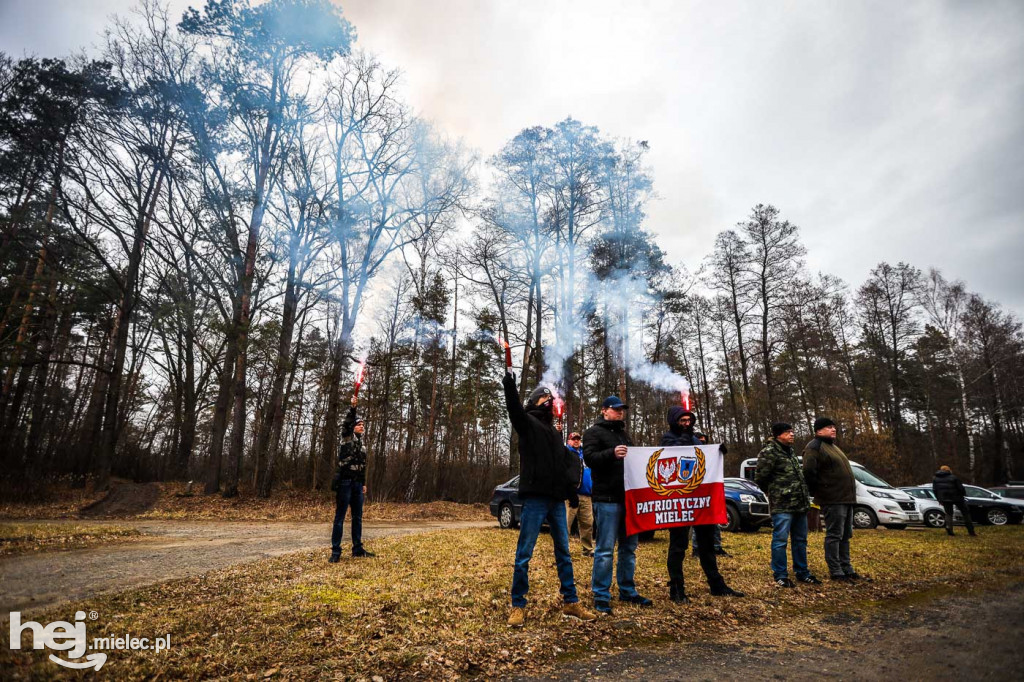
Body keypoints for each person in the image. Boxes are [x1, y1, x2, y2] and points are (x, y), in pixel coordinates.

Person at [501, 371, 596, 627]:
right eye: (546, 398)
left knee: (564, 552)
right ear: (536, 402)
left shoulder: (555, 433)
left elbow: (560, 467)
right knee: (524, 554)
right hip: (535, 499)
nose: (550, 401)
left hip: (556, 500)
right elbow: (514, 411)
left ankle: (571, 602)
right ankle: (518, 605)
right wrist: (510, 387)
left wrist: (570, 494)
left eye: (550, 398)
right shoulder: (528, 423)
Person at [661, 407, 744, 603]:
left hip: (700, 501)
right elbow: (670, 457)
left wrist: (716, 451)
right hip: (679, 502)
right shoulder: (667, 438)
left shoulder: (696, 438)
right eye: (682, 420)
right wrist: (683, 441)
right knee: (678, 546)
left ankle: (716, 584)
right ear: (674, 421)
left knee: (707, 545)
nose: (687, 424)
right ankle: (677, 589)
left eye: (689, 420)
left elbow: (703, 459)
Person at [583, 396, 652, 614]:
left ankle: (627, 590)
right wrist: (611, 454)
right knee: (604, 549)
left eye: (622, 409)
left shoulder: (624, 434)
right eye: (616, 409)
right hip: (607, 499)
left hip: (628, 499)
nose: (620, 412)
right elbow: (589, 458)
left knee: (629, 548)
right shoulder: (593, 432)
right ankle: (601, 595)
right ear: (604, 410)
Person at [755, 422, 821, 587]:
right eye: (787, 432)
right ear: (778, 435)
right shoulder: (769, 452)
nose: (792, 434)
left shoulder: (790, 452)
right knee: (780, 540)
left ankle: (802, 572)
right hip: (782, 505)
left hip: (799, 504)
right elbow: (761, 478)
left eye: (792, 431)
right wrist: (776, 492)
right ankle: (781, 575)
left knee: (800, 540)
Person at [802, 417, 866, 581]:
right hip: (832, 498)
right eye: (829, 427)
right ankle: (836, 571)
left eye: (834, 426)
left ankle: (847, 568)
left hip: (846, 498)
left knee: (845, 535)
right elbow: (809, 472)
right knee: (834, 535)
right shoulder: (814, 447)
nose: (833, 429)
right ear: (818, 430)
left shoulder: (833, 447)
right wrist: (820, 491)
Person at [330, 397, 375, 562]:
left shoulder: (362, 446)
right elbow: (347, 423)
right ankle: (336, 552)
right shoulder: (346, 438)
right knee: (340, 518)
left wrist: (363, 484)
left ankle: (357, 549)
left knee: (357, 517)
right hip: (345, 483)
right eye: (359, 424)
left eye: (363, 425)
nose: (361, 426)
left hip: (357, 485)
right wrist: (353, 408)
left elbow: (362, 465)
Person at [691, 431, 729, 557]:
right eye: (700, 439)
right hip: (696, 493)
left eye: (704, 439)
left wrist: (720, 451)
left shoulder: (709, 455)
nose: (703, 441)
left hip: (710, 493)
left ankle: (716, 547)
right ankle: (696, 549)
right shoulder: (691, 453)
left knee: (715, 522)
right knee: (698, 523)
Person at [565, 432, 595, 557]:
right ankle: (563, 549)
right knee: (566, 523)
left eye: (578, 439)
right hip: (571, 495)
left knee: (588, 523)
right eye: (573, 439)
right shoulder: (567, 453)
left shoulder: (585, 455)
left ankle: (587, 549)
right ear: (568, 441)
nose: (576, 441)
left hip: (586, 495)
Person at [932, 465, 976, 536]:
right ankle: (971, 531)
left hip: (945, 499)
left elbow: (935, 490)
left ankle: (949, 528)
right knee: (965, 513)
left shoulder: (935, 479)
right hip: (957, 498)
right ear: (949, 470)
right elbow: (961, 488)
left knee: (949, 514)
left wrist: (939, 499)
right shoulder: (954, 477)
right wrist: (963, 494)